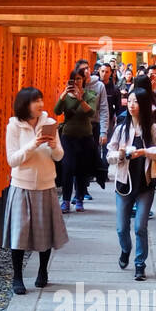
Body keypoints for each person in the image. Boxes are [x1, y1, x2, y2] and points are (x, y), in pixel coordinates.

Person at [3, 87, 68, 294]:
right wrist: (33, 144)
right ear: (24, 104)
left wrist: (52, 146)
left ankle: (42, 271)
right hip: (21, 185)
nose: (40, 104)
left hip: (46, 184)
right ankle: (17, 277)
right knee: (19, 233)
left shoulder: (49, 123)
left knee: (44, 231)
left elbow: (59, 156)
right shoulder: (14, 127)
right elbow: (12, 160)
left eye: (40, 100)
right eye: (35, 101)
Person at [106, 79, 156, 280]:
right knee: (121, 227)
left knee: (140, 227)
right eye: (130, 100)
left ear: (143, 105)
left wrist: (145, 151)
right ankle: (125, 249)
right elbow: (109, 153)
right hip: (124, 185)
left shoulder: (153, 129)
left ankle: (140, 264)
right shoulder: (121, 129)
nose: (132, 104)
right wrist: (119, 154)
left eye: (136, 101)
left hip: (145, 184)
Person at [54, 63, 99, 213]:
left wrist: (80, 99)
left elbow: (91, 113)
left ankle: (79, 198)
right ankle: (66, 200)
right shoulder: (66, 97)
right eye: (73, 80)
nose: (77, 82)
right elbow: (57, 110)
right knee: (67, 167)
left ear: (83, 80)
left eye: (79, 79)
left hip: (85, 136)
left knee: (81, 168)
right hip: (68, 136)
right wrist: (63, 95)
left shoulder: (90, 95)